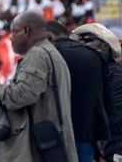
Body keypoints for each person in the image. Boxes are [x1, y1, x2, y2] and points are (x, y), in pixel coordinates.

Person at [0, 10, 78, 162]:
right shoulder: (50, 53)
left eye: (13, 32)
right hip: (48, 146)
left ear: (26, 31)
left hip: (36, 150)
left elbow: (22, 95)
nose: (11, 37)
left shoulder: (38, 55)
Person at [46, 21, 109, 162]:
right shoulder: (95, 56)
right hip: (88, 132)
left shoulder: (47, 56)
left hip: (55, 134)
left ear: (49, 37)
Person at [71, 23, 122, 160]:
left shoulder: (116, 74)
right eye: (79, 41)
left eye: (87, 40)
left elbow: (113, 116)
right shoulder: (93, 72)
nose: (81, 45)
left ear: (105, 46)